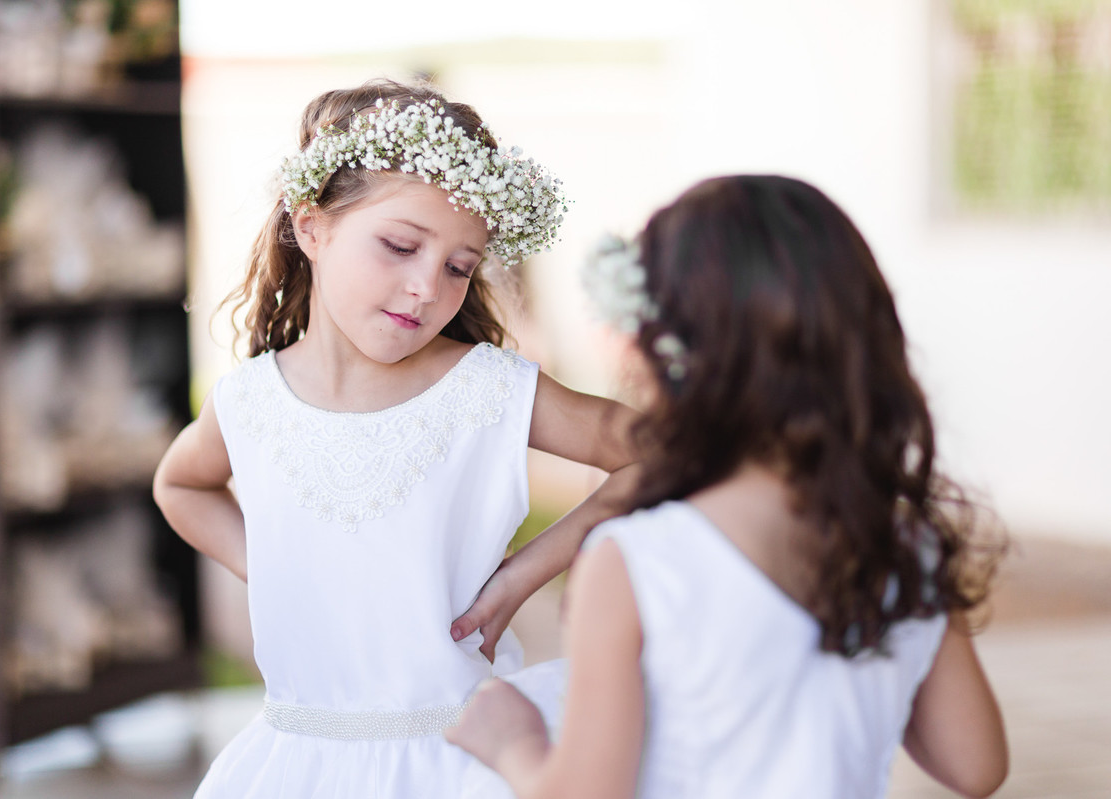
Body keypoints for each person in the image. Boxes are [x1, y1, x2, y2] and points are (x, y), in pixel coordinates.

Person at [445, 175, 1010, 799]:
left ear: (665, 347)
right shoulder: (903, 545)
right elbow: (976, 767)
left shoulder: (640, 561)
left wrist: (513, 741)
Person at [152, 79, 637, 798]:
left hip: (458, 761)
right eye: (401, 246)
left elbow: (663, 455)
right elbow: (179, 484)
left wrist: (523, 574)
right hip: (298, 768)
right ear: (311, 227)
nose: (426, 288)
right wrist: (277, 568)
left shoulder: (488, 390)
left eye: (459, 268)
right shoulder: (250, 401)